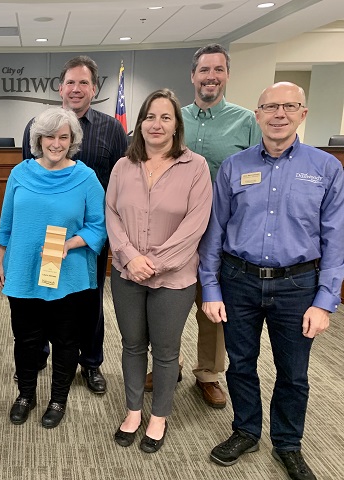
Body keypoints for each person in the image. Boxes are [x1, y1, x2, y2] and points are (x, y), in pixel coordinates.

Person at [199, 82, 344, 480]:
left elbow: (336, 238)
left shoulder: (326, 168)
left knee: (293, 372)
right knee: (241, 364)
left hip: (299, 286)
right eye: (270, 107)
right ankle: (246, 430)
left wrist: (326, 300)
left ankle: (288, 443)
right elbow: (215, 231)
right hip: (238, 280)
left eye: (289, 106)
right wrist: (210, 287)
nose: (279, 114)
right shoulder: (234, 166)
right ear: (258, 115)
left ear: (303, 113)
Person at [144, 44, 262, 408]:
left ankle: (208, 374)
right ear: (192, 76)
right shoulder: (173, 118)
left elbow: (258, 174)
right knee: (166, 301)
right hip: (171, 233)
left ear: (227, 75)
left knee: (212, 306)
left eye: (219, 70)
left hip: (220, 234)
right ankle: (169, 362)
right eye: (204, 70)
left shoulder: (246, 122)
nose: (211, 76)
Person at [106, 89, 212, 452]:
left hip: (175, 278)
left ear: (176, 125)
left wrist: (156, 263)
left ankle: (158, 417)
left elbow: (196, 225)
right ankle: (133, 411)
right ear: (140, 123)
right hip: (127, 274)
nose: (156, 124)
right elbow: (112, 215)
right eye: (150, 117)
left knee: (166, 352)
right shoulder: (123, 166)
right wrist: (129, 256)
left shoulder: (195, 166)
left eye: (165, 117)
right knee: (132, 345)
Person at [21, 55, 127, 394]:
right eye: (70, 82)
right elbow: (28, 178)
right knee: (43, 295)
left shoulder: (112, 129)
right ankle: (38, 354)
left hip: (90, 235)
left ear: (94, 89)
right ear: (60, 87)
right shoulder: (36, 125)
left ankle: (91, 362)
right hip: (45, 236)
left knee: (88, 301)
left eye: (83, 83)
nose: (76, 89)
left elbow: (122, 182)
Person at [0, 107, 107, 428]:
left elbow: (99, 227)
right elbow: (7, 222)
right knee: (26, 339)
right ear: (38, 139)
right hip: (24, 270)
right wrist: (1, 259)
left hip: (68, 274)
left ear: (72, 140)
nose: (56, 143)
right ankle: (26, 395)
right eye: (49, 136)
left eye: (63, 137)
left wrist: (68, 244)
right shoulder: (20, 172)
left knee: (65, 340)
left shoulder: (85, 177)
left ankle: (58, 399)